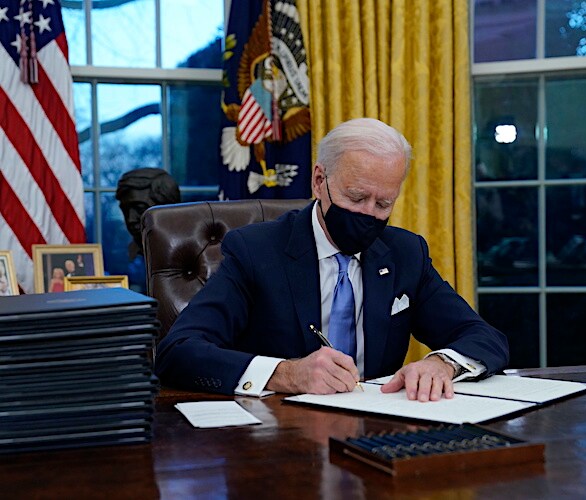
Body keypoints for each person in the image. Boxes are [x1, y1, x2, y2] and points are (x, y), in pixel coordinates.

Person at [155, 118, 509, 401]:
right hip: (279, 439)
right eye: (356, 198)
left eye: (383, 203)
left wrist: (442, 363)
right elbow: (178, 352)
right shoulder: (255, 251)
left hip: (378, 433)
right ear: (319, 180)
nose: (369, 214)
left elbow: (483, 337)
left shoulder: (405, 254)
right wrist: (286, 374)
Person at [115, 168, 181, 293]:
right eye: (125, 210)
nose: (130, 219)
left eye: (139, 209)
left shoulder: (191, 254)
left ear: (167, 210)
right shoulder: (120, 257)